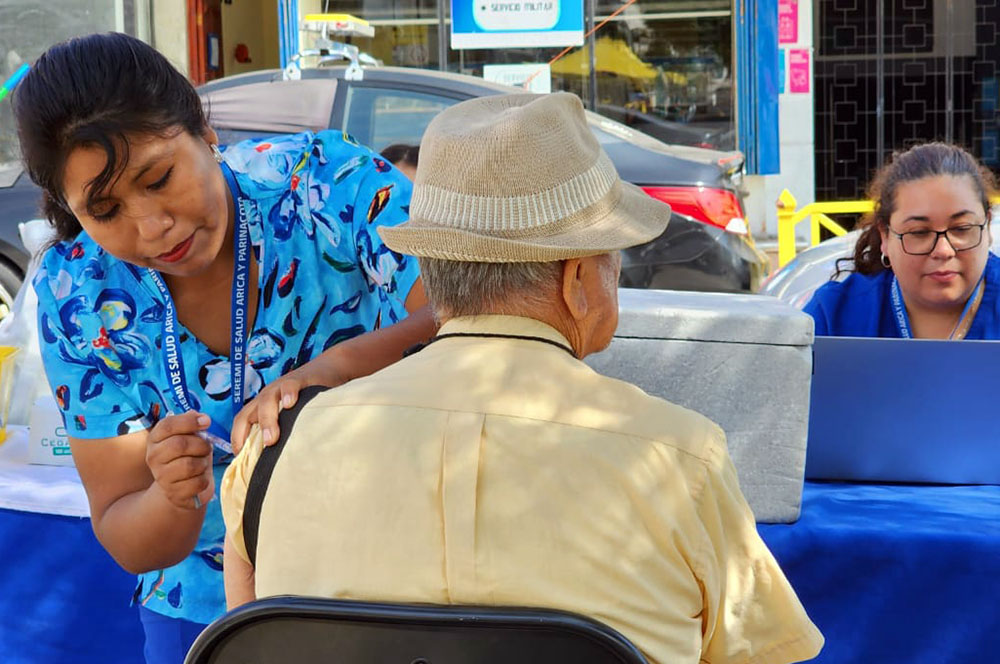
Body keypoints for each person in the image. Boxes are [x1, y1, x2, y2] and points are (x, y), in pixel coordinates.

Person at [220, 92, 824, 664]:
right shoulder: (680, 459)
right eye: (613, 264)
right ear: (577, 281)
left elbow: (249, 641)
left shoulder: (273, 455)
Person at [14, 33, 435, 662]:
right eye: (105, 211)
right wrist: (169, 496)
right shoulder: (78, 292)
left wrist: (333, 371)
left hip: (381, 577)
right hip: (202, 618)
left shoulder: (326, 184)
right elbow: (126, 531)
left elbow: (464, 318)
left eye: (160, 178)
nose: (153, 226)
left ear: (204, 131)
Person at [804, 142, 1000, 338]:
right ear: (885, 236)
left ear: (987, 226)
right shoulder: (833, 316)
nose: (943, 250)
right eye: (919, 232)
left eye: (962, 228)